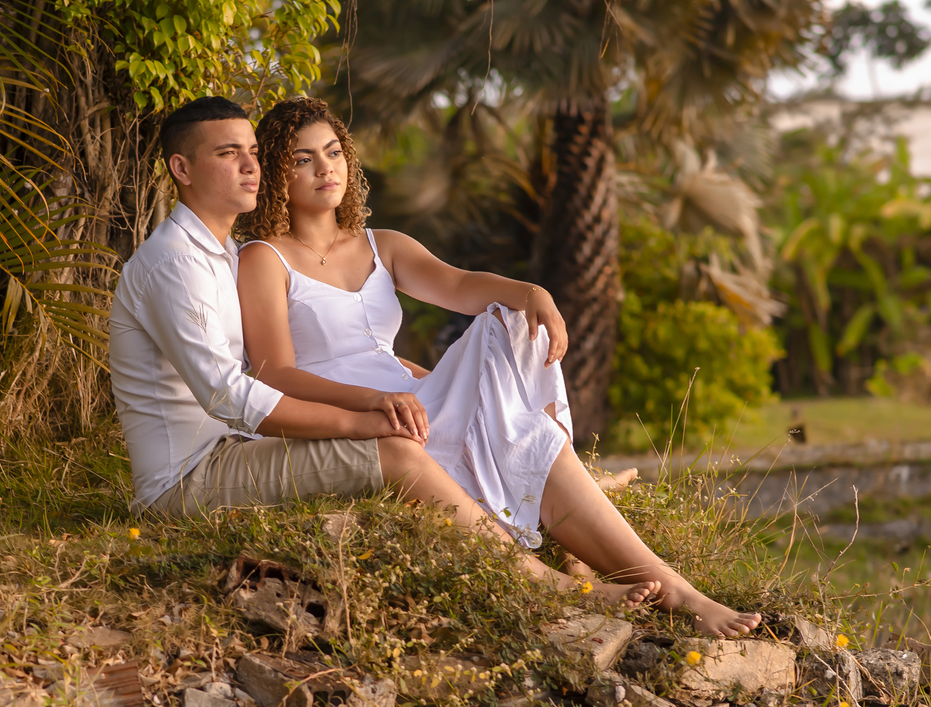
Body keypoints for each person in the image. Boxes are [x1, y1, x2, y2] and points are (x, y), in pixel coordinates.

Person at [236, 96, 763, 637]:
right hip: (355, 416)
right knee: (517, 416)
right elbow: (275, 374)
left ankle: (678, 590)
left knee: (503, 324)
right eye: (303, 159)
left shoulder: (381, 244)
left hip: (412, 399)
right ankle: (605, 545)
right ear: (276, 174)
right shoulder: (263, 257)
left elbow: (459, 285)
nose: (326, 168)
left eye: (332, 152)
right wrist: (371, 400)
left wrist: (532, 292)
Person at [107, 96, 656, 608]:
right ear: (182, 169)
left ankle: (556, 490)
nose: (249, 166)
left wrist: (517, 305)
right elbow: (236, 391)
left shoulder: (221, 251)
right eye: (230, 155)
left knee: (498, 340)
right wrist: (362, 417)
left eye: (252, 152)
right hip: (188, 479)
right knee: (396, 450)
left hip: (235, 446)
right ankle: (546, 583)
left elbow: (447, 290)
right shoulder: (178, 262)